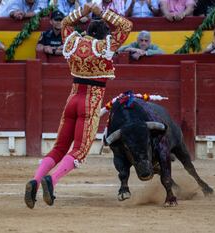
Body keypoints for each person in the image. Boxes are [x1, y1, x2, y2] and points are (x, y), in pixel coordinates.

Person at [24, 3, 133, 209]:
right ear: (104, 35)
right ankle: (52, 180)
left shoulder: (73, 42)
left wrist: (81, 12)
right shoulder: (104, 47)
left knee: (59, 148)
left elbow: (65, 23)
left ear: (87, 31)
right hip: (90, 103)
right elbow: (126, 26)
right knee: (80, 151)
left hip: (72, 100)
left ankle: (36, 180)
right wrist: (103, 12)